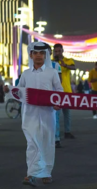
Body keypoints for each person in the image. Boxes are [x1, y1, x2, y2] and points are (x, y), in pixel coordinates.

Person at [4, 42, 63, 186]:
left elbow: (60, 91)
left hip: (48, 114)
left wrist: (58, 103)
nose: (38, 56)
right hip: (29, 114)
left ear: (45, 55)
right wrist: (9, 90)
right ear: (31, 55)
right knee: (32, 143)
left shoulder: (52, 73)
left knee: (47, 142)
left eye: (41, 53)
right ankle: (31, 174)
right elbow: (19, 91)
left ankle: (46, 173)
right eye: (35, 53)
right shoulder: (26, 74)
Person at [53, 43, 76, 139]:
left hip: (66, 91)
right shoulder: (51, 62)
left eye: (59, 51)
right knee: (56, 115)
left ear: (62, 51)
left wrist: (65, 65)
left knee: (67, 114)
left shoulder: (68, 60)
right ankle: (56, 135)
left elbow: (74, 67)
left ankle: (67, 131)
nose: (58, 53)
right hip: (55, 91)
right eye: (56, 51)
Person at [48, 46, 63, 148]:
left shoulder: (55, 65)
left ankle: (56, 138)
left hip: (53, 95)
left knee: (55, 117)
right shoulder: (36, 66)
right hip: (41, 96)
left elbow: (59, 81)